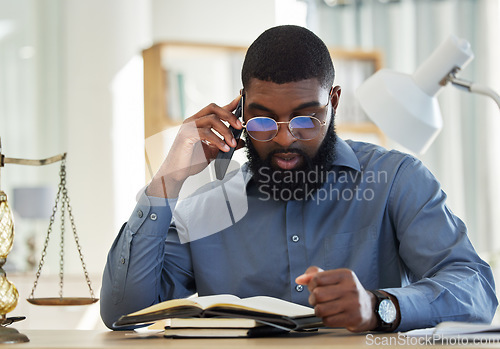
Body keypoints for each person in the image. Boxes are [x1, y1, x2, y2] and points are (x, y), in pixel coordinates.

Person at [100, 25, 497, 332]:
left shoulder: (395, 179)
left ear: (334, 101)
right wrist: (168, 179)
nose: (285, 138)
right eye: (263, 120)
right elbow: (123, 313)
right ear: (240, 109)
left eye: (306, 118)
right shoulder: (206, 206)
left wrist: (379, 307)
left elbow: (477, 288)